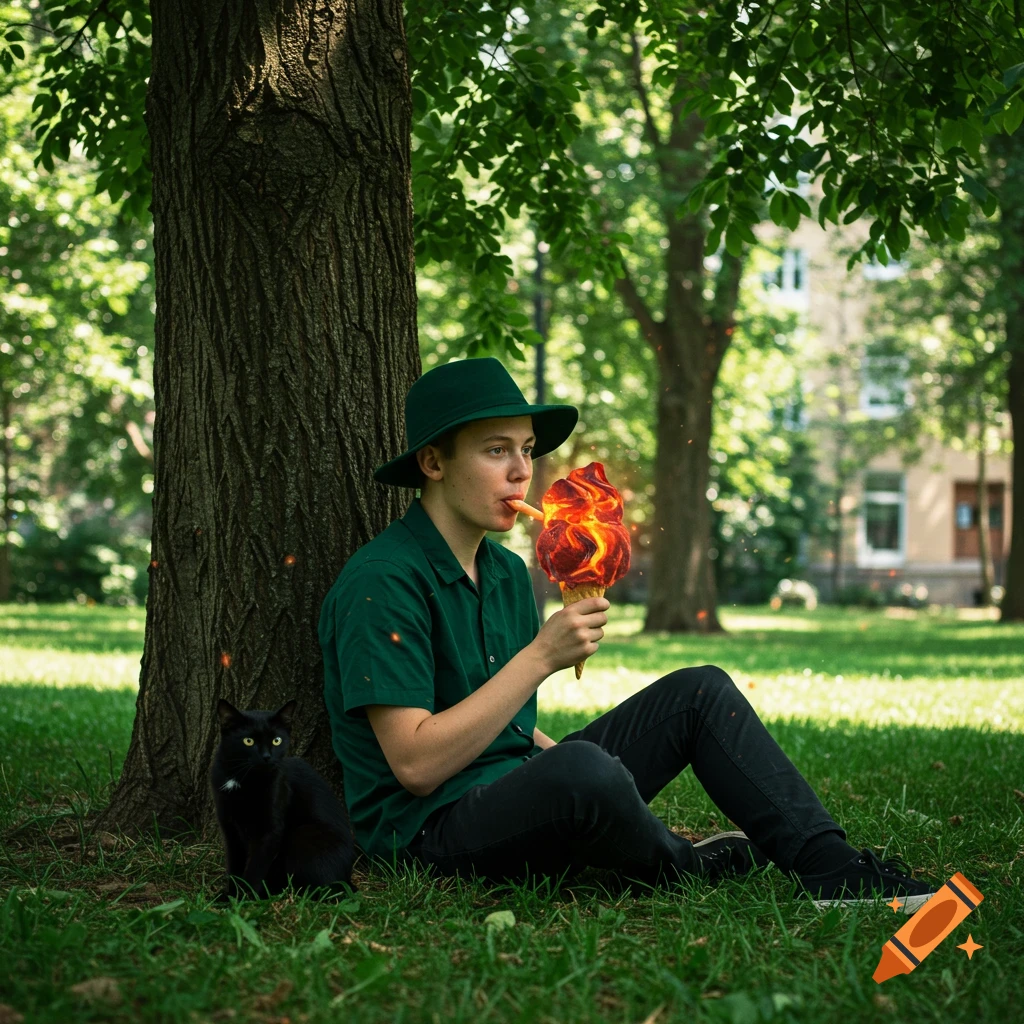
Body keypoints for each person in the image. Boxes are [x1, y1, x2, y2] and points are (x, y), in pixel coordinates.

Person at [318, 357, 937, 911]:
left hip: (515, 792)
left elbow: (502, 725)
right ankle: (682, 863)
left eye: (527, 450)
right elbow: (417, 763)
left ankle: (831, 868)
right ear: (433, 462)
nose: (520, 473)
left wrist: (578, 763)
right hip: (433, 832)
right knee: (585, 770)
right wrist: (541, 660)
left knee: (700, 692)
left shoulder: (507, 572)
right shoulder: (382, 582)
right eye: (495, 451)